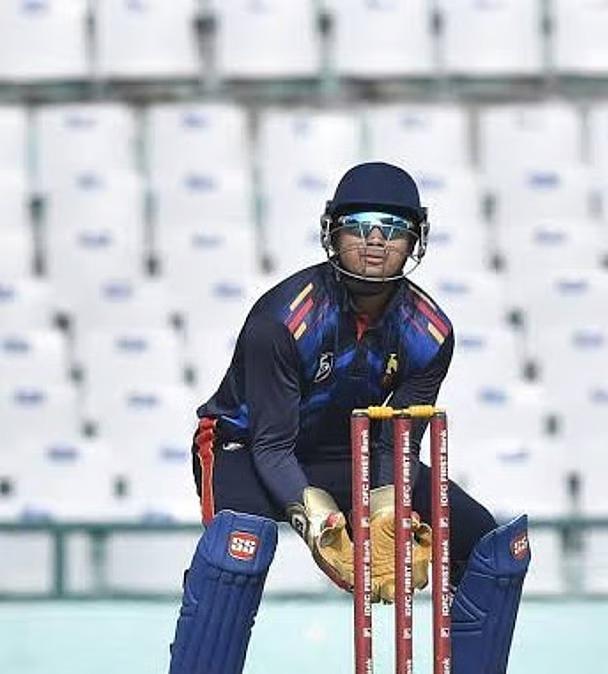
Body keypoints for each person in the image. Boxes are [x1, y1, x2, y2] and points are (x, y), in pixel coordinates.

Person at [168, 162, 530, 674]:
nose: (375, 241)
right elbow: (273, 446)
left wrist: (386, 510)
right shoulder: (282, 320)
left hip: (351, 452)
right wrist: (322, 527)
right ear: (332, 234)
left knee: (493, 546)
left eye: (393, 229)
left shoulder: (429, 334)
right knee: (237, 549)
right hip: (244, 448)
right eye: (359, 226)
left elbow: (395, 444)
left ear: (416, 240)